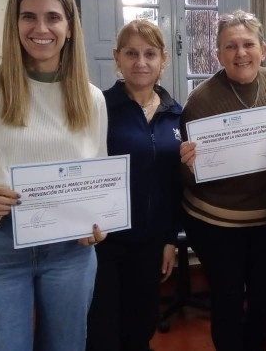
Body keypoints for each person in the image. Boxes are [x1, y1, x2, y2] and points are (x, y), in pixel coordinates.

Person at [0, 0, 108, 351]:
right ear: (14, 25)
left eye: (53, 17)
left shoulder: (91, 98)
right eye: (28, 17)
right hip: (1, 244)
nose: (41, 28)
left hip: (72, 250)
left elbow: (96, 175)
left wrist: (99, 224)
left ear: (69, 28)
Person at [179, 10, 266, 351]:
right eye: (230, 47)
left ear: (262, 49)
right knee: (226, 301)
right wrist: (191, 166)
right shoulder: (201, 101)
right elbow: (184, 175)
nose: (241, 54)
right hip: (215, 222)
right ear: (218, 53)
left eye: (248, 44)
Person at [86, 19, 183, 351]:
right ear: (117, 57)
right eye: (131, 53)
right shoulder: (98, 108)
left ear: (163, 60)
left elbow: (175, 184)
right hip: (104, 243)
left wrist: (169, 239)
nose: (141, 63)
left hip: (151, 243)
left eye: (150, 54)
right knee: (102, 332)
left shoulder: (176, 115)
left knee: (140, 328)